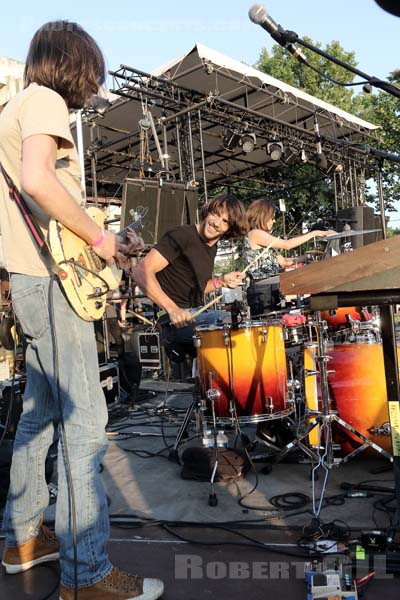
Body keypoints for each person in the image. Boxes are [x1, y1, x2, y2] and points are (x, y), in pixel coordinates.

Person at [0, 21, 163, 600]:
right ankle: (85, 574)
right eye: (92, 72)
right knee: (85, 426)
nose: (93, 87)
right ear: (74, 62)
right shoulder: (44, 100)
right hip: (51, 285)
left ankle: (21, 540)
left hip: (31, 283)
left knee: (39, 418)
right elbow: (38, 179)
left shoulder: (16, 106)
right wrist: (103, 241)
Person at [132, 193, 248, 356]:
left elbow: (195, 288)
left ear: (230, 228)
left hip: (197, 313)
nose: (216, 223)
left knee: (240, 325)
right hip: (172, 321)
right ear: (208, 211)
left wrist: (221, 281)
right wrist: (173, 309)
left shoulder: (212, 247)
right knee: (231, 327)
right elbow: (140, 272)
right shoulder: (182, 235)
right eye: (215, 214)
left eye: (225, 221)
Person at [245, 198, 335, 279]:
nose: (274, 221)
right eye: (272, 218)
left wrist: (311, 256)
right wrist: (315, 233)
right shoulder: (255, 233)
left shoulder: (266, 239)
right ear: (263, 216)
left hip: (271, 286)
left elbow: (284, 262)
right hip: (262, 288)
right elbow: (287, 245)